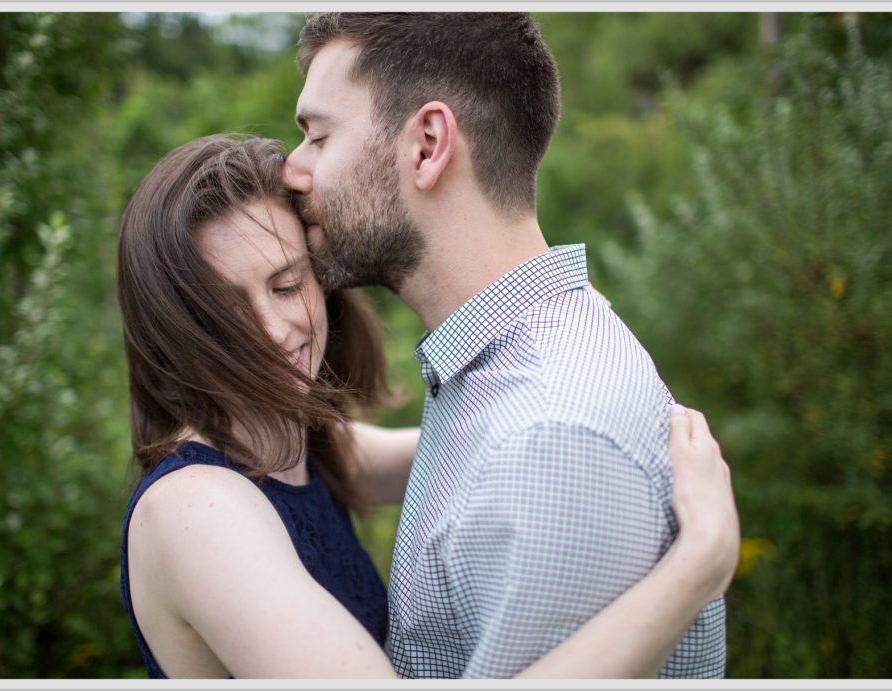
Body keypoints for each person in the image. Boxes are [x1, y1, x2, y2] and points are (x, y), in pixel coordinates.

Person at [117, 133, 738, 678]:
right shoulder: (196, 510)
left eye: (287, 285)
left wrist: (562, 331)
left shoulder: (294, 443)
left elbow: (490, 439)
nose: (275, 329)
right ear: (174, 328)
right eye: (225, 313)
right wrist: (698, 566)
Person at [280, 12, 730, 678]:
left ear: (428, 144)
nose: (291, 170)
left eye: (317, 136)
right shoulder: (502, 363)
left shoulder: (548, 437)